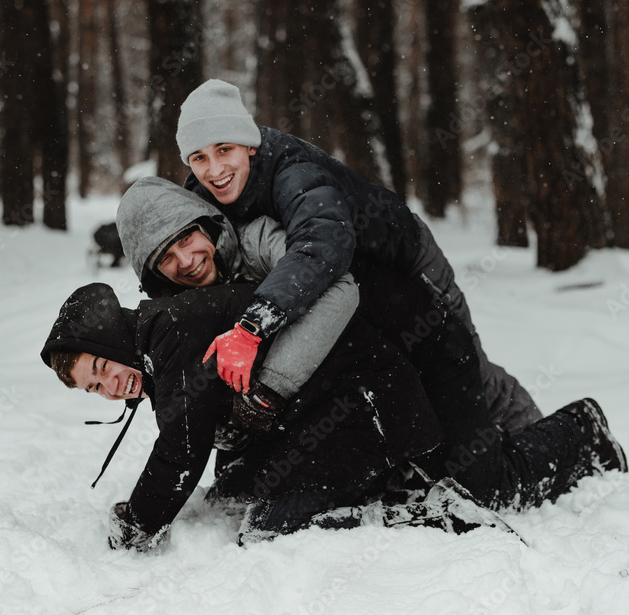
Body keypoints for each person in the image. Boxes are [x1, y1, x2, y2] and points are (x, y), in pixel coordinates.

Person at [40, 281, 627, 550]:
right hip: (339, 409)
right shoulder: (163, 341)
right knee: (242, 491)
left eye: (100, 370)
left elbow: (182, 443)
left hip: (369, 403)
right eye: (95, 391)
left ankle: (580, 433)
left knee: (273, 524)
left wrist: (140, 523)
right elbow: (199, 431)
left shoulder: (172, 332)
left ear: (108, 337)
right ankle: (405, 487)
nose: (109, 389)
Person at [176, 79, 542, 436]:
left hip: (407, 258)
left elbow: (319, 244)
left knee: (462, 361)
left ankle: (535, 430)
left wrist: (252, 327)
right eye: (199, 157)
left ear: (249, 145)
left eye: (224, 149)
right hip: (359, 283)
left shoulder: (292, 170)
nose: (214, 169)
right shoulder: (200, 196)